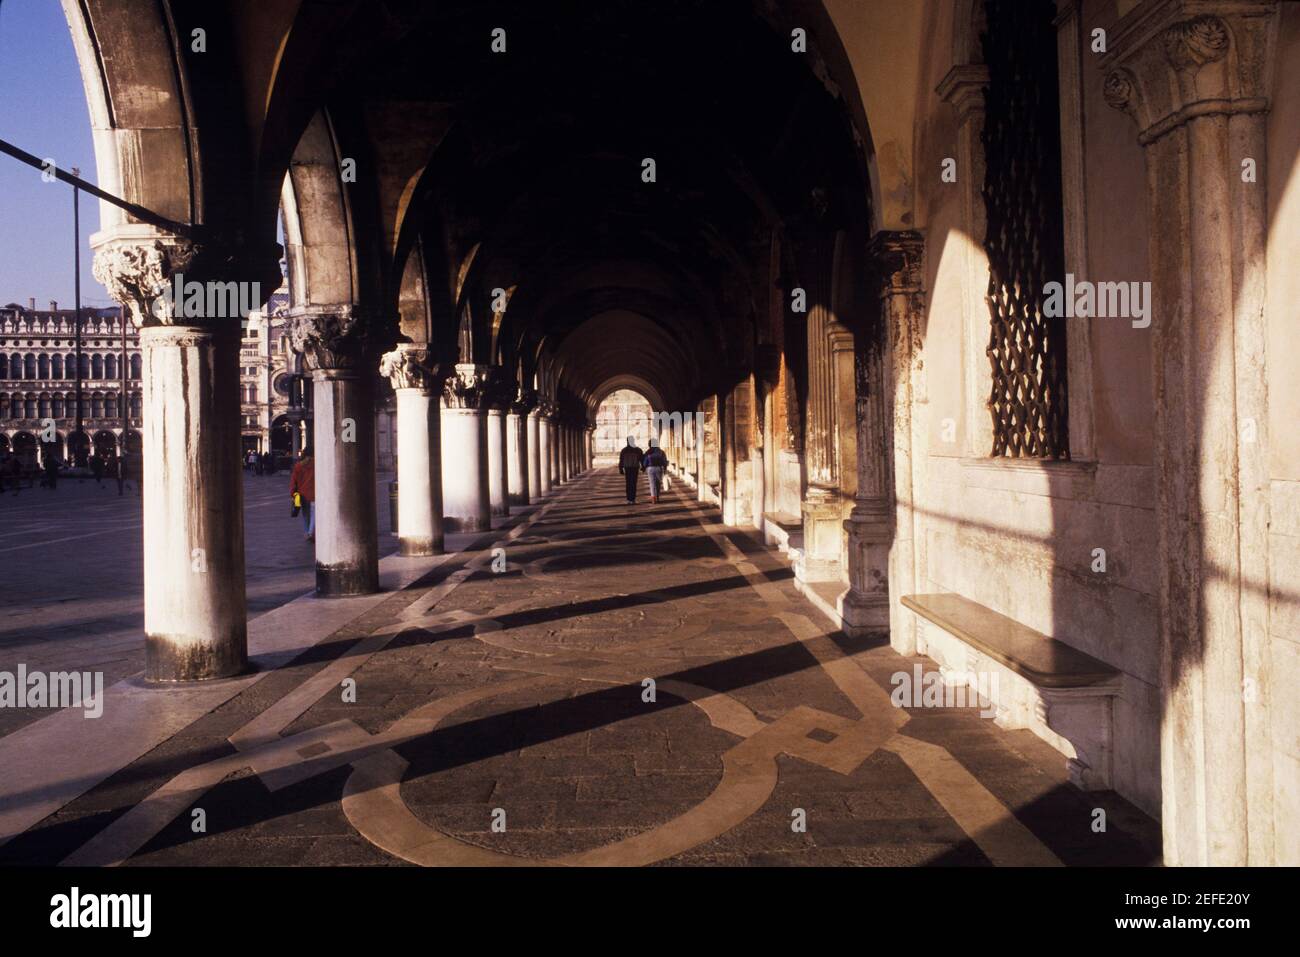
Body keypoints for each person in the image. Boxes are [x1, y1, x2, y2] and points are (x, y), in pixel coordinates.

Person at [290, 450, 316, 541]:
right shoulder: (316, 464)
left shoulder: (298, 466)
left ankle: (308, 532)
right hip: (314, 493)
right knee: (314, 514)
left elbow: (294, 481)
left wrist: (293, 493)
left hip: (302, 494)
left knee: (306, 514)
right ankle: (310, 532)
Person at [618, 435, 644, 504]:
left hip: (628, 468)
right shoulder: (638, 450)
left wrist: (620, 469)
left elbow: (621, 460)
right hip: (634, 468)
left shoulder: (624, 450)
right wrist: (643, 467)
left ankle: (629, 499)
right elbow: (642, 459)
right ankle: (632, 499)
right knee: (633, 483)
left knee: (628, 483)